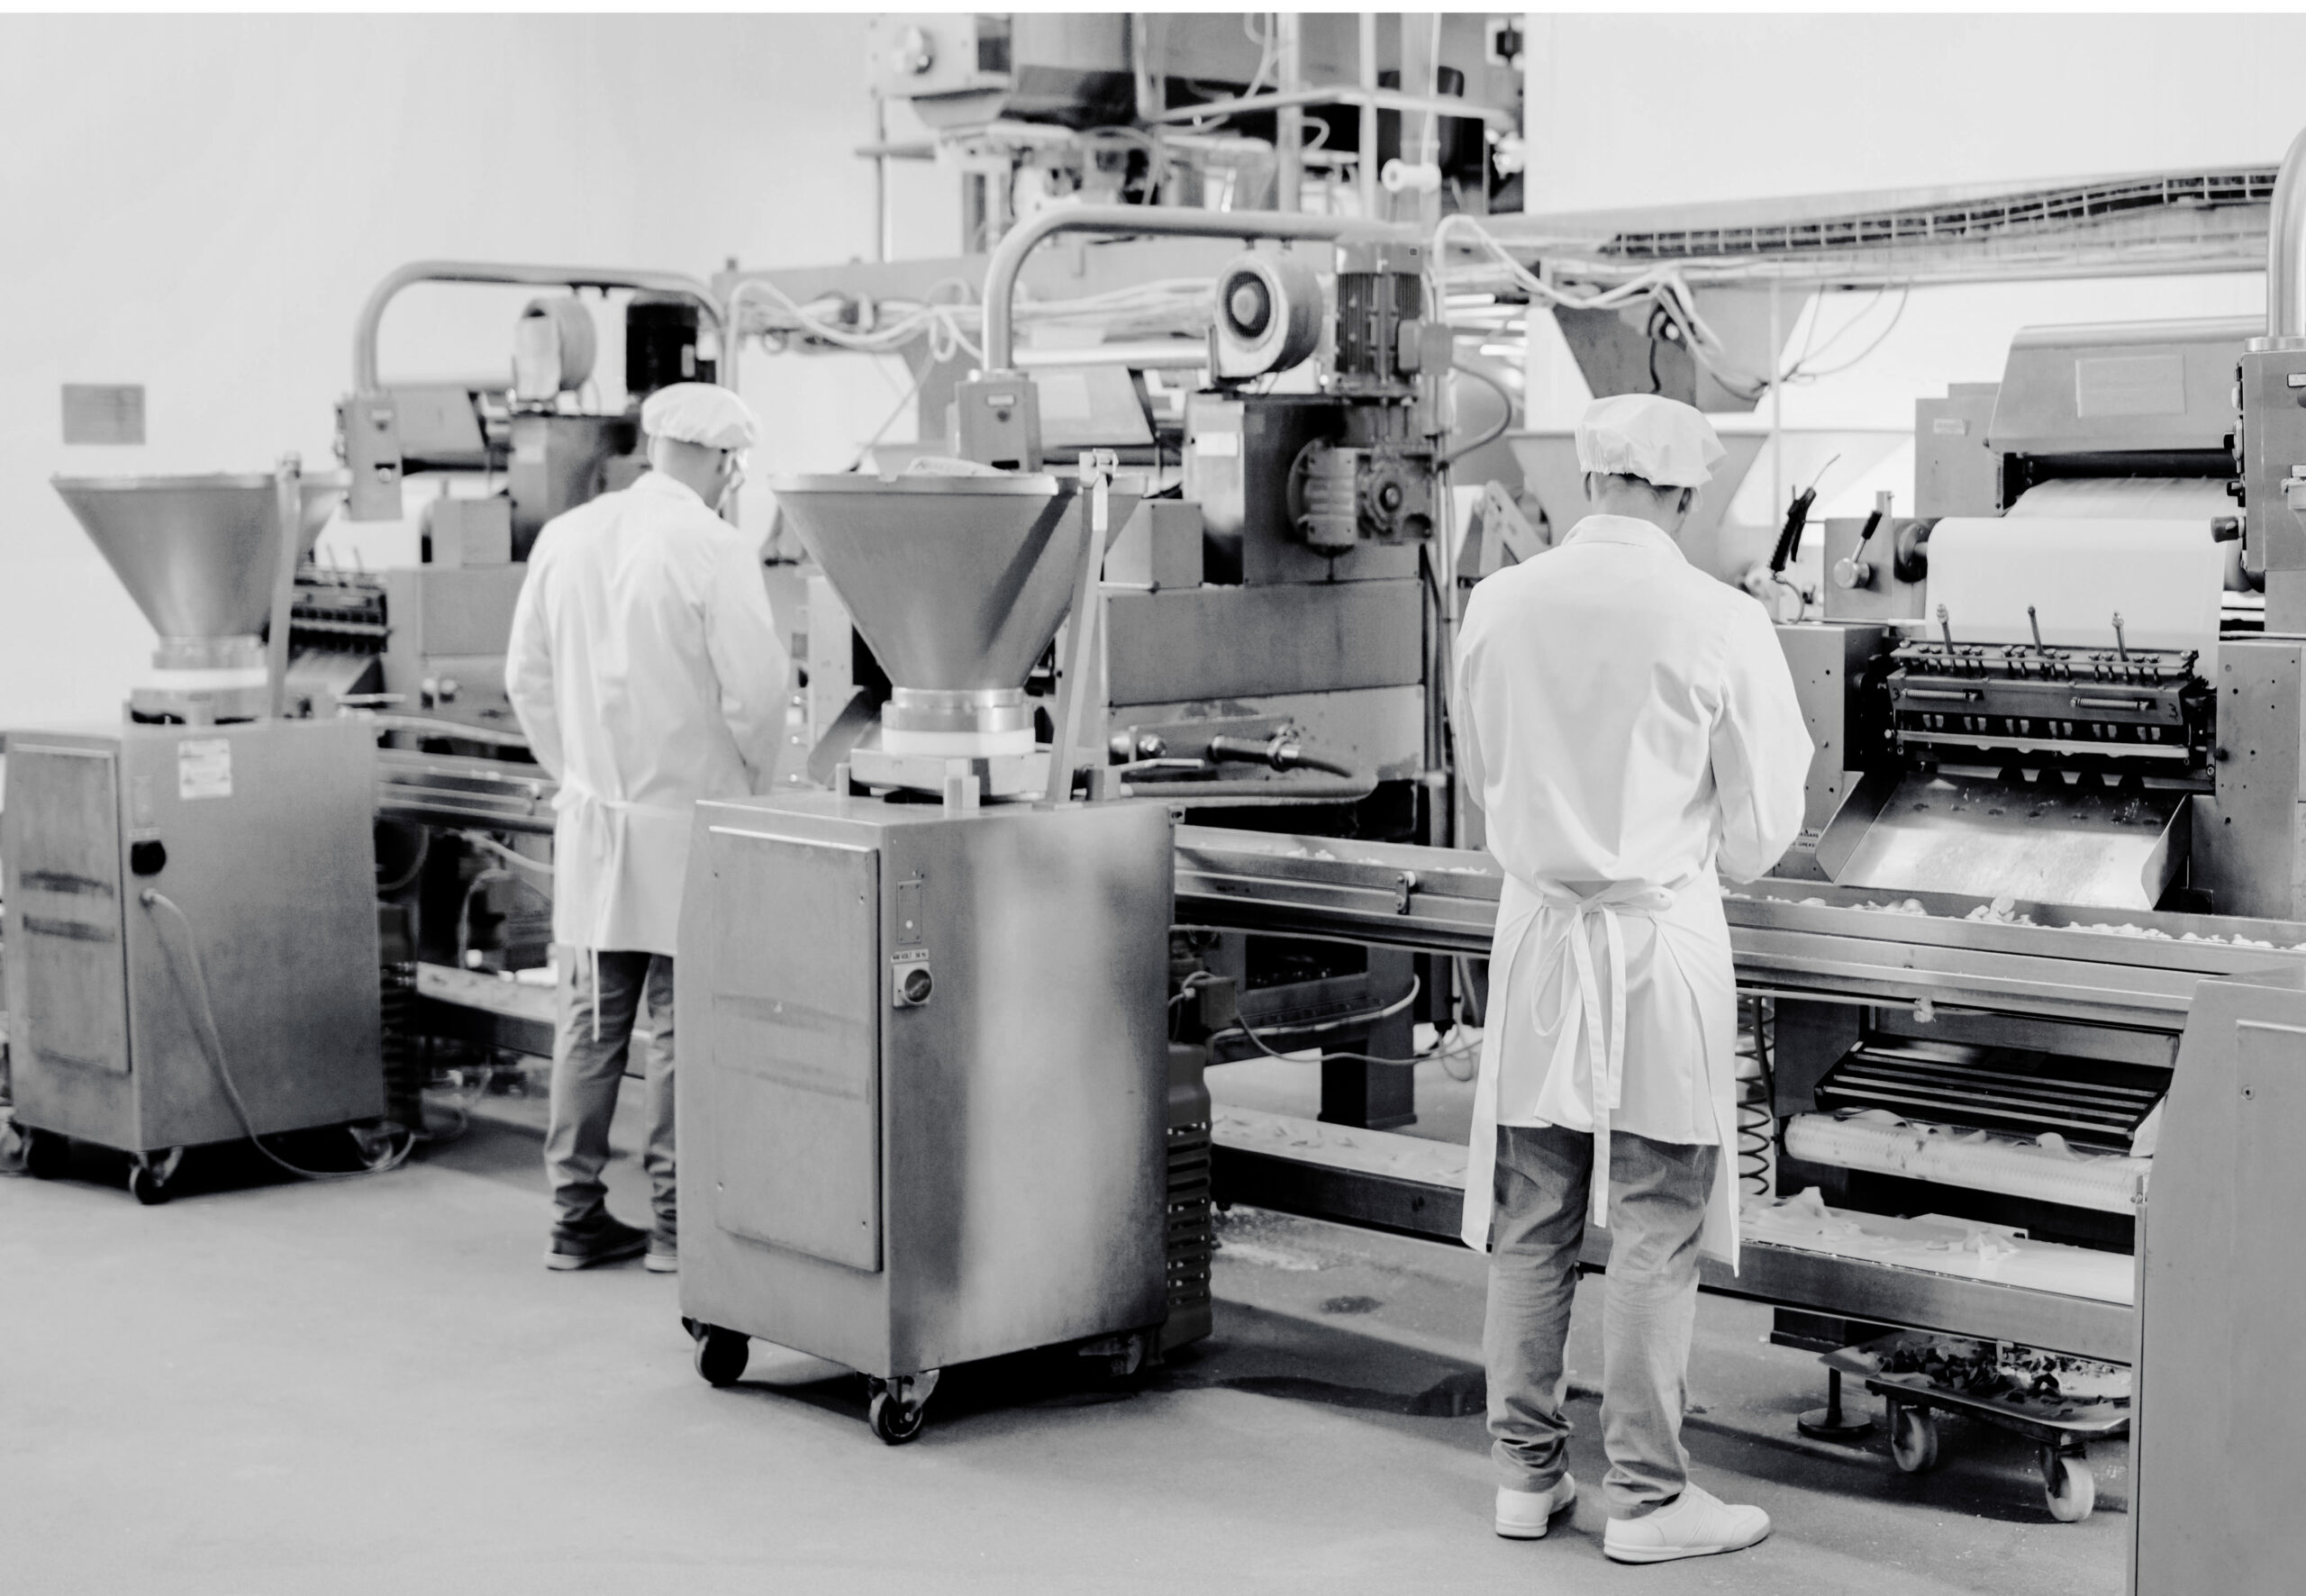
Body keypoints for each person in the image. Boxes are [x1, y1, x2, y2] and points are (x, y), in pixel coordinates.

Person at [1453, 393, 1811, 1564]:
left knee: (1532, 1211)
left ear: (1590, 476)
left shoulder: (1497, 604)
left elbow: (1483, 779)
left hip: (1540, 937)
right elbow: (1760, 833)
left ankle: (1524, 1476)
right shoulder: (1719, 618)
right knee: (1657, 1214)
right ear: (1686, 492)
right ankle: (1650, 1501)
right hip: (1657, 944)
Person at [506, 382, 791, 1274]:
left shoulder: (567, 535)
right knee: (680, 1027)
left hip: (595, 824)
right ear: (722, 462)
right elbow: (757, 696)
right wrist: (755, 786)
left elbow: (525, 678)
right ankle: (675, 1227)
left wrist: (579, 773)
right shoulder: (713, 547)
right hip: (689, 825)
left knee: (591, 1022)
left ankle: (573, 1217)